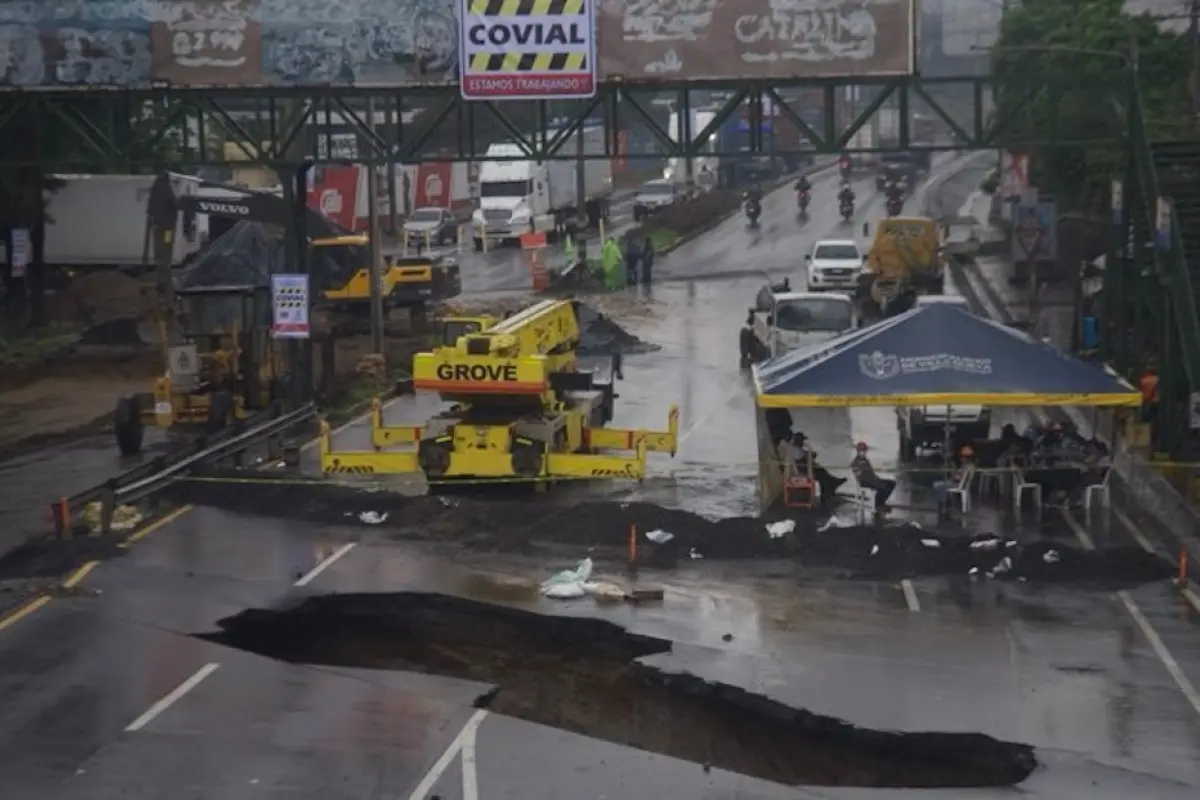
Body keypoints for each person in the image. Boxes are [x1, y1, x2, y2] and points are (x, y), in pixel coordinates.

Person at [794, 433, 847, 503]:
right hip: (804, 470)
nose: (803, 442)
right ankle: (829, 488)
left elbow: (810, 455)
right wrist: (809, 449)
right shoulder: (797, 450)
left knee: (822, 472)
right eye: (803, 440)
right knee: (821, 474)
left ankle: (830, 486)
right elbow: (808, 457)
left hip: (806, 468)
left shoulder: (797, 449)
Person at [850, 442, 894, 515]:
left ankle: (881, 502)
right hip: (865, 482)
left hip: (874, 479)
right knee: (882, 487)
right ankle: (878, 505)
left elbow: (871, 472)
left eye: (864, 451)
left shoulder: (866, 460)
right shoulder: (856, 462)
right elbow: (857, 473)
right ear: (858, 451)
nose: (864, 453)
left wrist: (876, 477)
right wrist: (860, 469)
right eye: (862, 451)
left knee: (891, 483)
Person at [933, 446, 976, 518]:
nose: (961, 459)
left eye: (962, 457)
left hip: (959, 485)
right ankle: (945, 503)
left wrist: (956, 480)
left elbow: (962, 478)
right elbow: (957, 475)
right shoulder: (968, 466)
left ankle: (944, 505)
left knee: (940, 486)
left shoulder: (967, 467)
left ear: (966, 458)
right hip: (960, 484)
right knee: (937, 484)